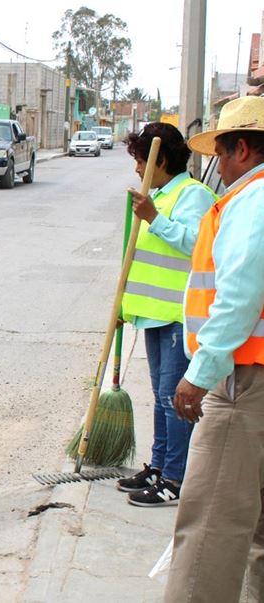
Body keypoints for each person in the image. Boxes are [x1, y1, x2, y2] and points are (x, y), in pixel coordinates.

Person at [166, 95, 264, 600]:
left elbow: (240, 296)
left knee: (210, 523)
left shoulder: (253, 201)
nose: (217, 168)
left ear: (242, 150)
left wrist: (198, 374)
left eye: (219, 156)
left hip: (243, 380)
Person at [114, 123, 215, 507]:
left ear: (162, 160)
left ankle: (174, 477)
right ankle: (158, 466)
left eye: (141, 161)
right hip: (154, 315)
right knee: (160, 397)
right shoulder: (159, 196)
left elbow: (196, 247)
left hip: (178, 316)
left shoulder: (193, 196)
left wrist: (155, 218)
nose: (138, 169)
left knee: (176, 400)